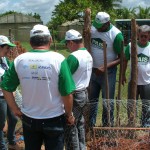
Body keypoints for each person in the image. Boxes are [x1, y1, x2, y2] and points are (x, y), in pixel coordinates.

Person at [1, 24, 76, 150]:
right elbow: (67, 93)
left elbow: (6, 87)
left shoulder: (19, 60)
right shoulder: (59, 60)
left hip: (29, 119)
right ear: (50, 40)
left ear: (30, 42)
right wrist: (69, 115)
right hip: (54, 118)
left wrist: (15, 109)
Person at [89, 12, 124, 127]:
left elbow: (121, 58)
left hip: (108, 73)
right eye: (96, 25)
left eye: (101, 26)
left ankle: (107, 126)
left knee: (107, 102)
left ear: (108, 23)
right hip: (92, 72)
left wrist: (105, 67)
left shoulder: (116, 35)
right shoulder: (93, 29)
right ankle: (90, 125)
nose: (97, 29)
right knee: (91, 101)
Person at [62, 29, 93, 149]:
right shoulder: (87, 54)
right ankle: (82, 147)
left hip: (74, 95)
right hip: (84, 93)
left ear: (71, 42)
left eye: (66, 44)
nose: (67, 47)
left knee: (70, 125)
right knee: (79, 122)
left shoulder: (74, 57)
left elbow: (64, 78)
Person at [122, 25, 150, 127]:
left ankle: (145, 124)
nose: (143, 38)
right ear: (137, 35)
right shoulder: (131, 46)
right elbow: (125, 60)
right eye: (141, 36)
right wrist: (123, 74)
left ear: (149, 36)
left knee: (146, 104)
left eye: (145, 36)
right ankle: (131, 123)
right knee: (131, 104)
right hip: (133, 82)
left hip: (147, 82)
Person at [0, 35, 20, 150]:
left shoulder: (5, 60)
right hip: (0, 98)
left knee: (13, 118)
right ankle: (3, 146)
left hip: (8, 96)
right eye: (7, 48)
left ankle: (11, 141)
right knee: (1, 124)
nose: (9, 50)